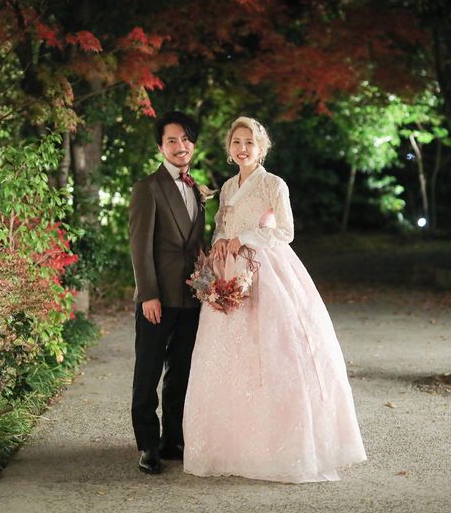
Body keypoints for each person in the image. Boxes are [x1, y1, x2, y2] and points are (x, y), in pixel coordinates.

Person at [183, 117, 367, 483]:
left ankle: (278, 447)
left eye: (249, 142)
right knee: (226, 357)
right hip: (228, 269)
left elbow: (286, 231)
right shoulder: (228, 186)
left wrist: (246, 238)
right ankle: (230, 446)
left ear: (261, 148)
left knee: (274, 350)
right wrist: (221, 242)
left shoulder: (273, 184)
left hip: (266, 268)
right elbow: (221, 226)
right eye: (237, 142)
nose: (243, 148)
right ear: (229, 147)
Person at [129, 111, 205, 475]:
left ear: (193, 144)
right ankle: (147, 445)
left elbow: (196, 244)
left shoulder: (198, 188)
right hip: (157, 298)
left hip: (191, 297)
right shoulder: (148, 188)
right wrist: (148, 294)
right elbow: (139, 245)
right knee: (148, 372)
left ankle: (173, 439)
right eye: (172, 140)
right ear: (161, 147)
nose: (180, 146)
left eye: (185, 139)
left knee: (181, 371)